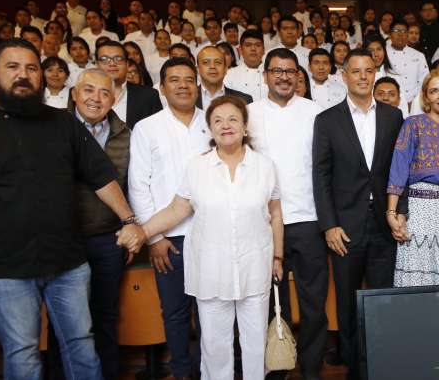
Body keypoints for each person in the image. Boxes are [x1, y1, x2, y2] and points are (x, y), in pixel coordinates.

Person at [0, 38, 144, 380]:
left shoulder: (63, 124)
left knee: (81, 345)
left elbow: (102, 176)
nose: (23, 75)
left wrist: (129, 220)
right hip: (7, 267)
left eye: (31, 68)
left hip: (68, 263)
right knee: (23, 352)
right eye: (12, 67)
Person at [125, 94, 282, 380]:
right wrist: (143, 231)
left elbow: (276, 214)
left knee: (255, 344)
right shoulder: (197, 167)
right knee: (214, 346)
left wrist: (278, 256)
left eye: (233, 119)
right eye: (217, 120)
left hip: (254, 266)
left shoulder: (264, 166)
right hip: (211, 270)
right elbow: (177, 208)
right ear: (210, 129)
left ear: (245, 126)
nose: (226, 125)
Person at [312, 48, 406, 380]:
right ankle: (354, 368)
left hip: (384, 223)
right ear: (344, 76)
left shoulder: (394, 117)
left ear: (375, 73)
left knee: (383, 298)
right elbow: (320, 175)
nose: (363, 76)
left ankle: (381, 365)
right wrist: (329, 225)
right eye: (356, 71)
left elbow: (401, 170)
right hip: (345, 227)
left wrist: (401, 212)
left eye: (369, 70)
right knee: (348, 303)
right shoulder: (327, 120)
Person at [129, 57, 211, 380]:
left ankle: (210, 372)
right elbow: (138, 185)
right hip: (169, 239)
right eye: (174, 80)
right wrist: (154, 238)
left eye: (189, 79)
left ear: (198, 85)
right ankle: (181, 371)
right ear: (162, 88)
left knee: (211, 312)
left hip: (210, 235)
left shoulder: (212, 123)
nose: (183, 85)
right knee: (176, 313)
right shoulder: (147, 128)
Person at [248, 48, 328, 380]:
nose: (283, 76)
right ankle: (276, 367)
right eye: (277, 71)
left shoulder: (315, 113)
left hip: (309, 220)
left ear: (298, 76)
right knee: (269, 302)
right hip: (264, 224)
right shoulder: (248, 114)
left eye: (290, 71)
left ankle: (311, 369)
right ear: (265, 75)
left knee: (313, 303)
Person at [65, 68, 133, 380]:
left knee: (105, 317)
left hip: (109, 239)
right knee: (66, 320)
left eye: (105, 92)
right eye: (89, 90)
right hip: (67, 241)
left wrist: (131, 227)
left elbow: (133, 185)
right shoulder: (56, 129)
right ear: (75, 94)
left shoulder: (126, 134)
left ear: (114, 98)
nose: (96, 98)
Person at [386, 69, 439, 287]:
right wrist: (392, 213)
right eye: (434, 91)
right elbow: (398, 169)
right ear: (426, 97)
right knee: (417, 279)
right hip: (418, 209)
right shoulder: (413, 124)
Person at [95, 40, 162, 129]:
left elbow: (158, 131)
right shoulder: (83, 94)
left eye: (118, 59)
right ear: (96, 64)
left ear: (127, 64)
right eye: (104, 59)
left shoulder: (149, 96)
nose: (112, 63)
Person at [387, 19, 429, 114]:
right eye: (396, 31)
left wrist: (414, 102)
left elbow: (425, 81)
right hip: (390, 103)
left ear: (407, 35)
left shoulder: (418, 55)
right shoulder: (383, 54)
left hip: (415, 104)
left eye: (404, 31)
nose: (400, 34)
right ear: (390, 35)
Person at [194, 45, 252, 110]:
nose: (212, 66)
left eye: (218, 62)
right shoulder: (186, 98)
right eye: (206, 62)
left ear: (225, 69)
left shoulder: (244, 100)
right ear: (197, 69)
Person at [224, 29, 266, 102]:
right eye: (248, 45)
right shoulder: (229, 74)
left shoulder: (272, 74)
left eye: (258, 45)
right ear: (240, 50)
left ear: (264, 50)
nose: (253, 49)